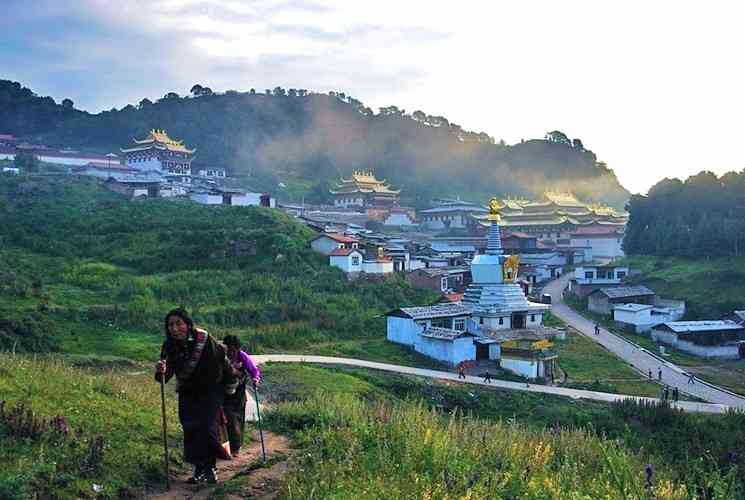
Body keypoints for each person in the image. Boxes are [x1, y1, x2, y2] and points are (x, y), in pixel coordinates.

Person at [155, 308, 235, 485]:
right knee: (191, 429)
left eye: (178, 324)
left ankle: (210, 468)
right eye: (170, 325)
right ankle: (199, 468)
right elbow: (165, 376)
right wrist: (161, 370)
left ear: (188, 325)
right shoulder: (168, 347)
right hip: (188, 393)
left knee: (207, 428)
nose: (174, 329)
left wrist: (229, 385)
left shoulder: (204, 340)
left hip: (210, 392)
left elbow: (222, 362)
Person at [222, 335, 261, 458]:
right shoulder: (220, 357)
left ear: (238, 349)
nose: (231, 353)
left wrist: (255, 379)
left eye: (233, 351)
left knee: (238, 419)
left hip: (239, 394)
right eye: (229, 350)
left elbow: (254, 371)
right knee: (227, 419)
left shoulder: (243, 357)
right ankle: (227, 448)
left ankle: (236, 447)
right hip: (224, 393)